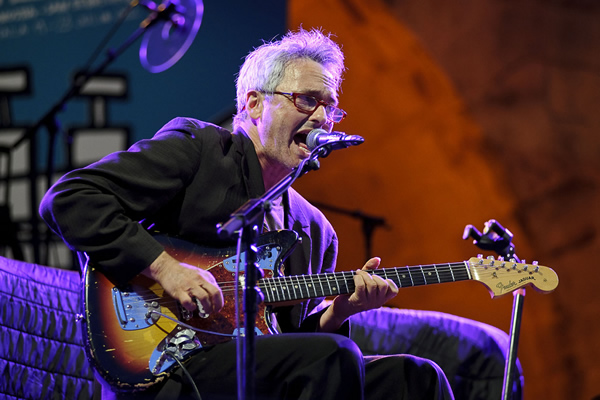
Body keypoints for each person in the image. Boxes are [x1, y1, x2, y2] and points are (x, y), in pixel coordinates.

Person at [40, 28, 455, 400]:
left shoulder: (316, 230)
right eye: (307, 100)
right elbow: (71, 197)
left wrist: (340, 310)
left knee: (416, 377)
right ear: (255, 104)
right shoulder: (199, 149)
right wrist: (167, 269)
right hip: (171, 359)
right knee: (334, 356)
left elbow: (289, 341)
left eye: (330, 107)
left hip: (251, 365)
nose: (322, 118)